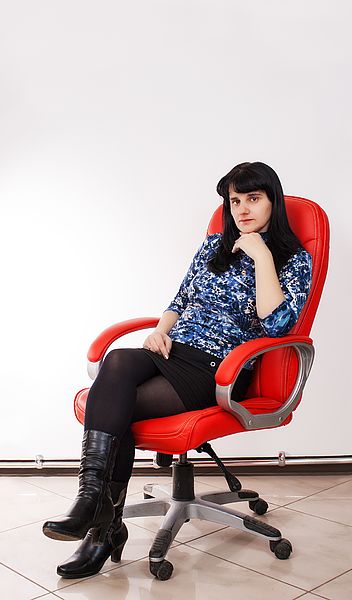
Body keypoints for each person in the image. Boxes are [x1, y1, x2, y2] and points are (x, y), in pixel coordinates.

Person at [42, 161, 312, 578]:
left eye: (253, 199)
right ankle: (93, 504)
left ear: (273, 202)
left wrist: (260, 256)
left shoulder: (293, 259)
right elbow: (180, 300)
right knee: (116, 360)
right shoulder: (213, 247)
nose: (242, 209)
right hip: (174, 351)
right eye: (234, 201)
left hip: (218, 367)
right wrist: (160, 333)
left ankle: (101, 529)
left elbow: (276, 324)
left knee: (119, 406)